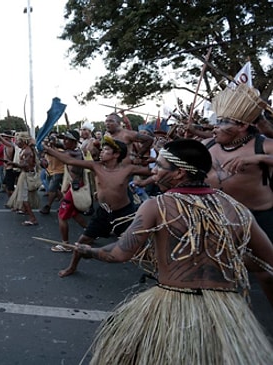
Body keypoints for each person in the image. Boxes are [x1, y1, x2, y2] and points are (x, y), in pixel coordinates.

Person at [74, 139, 273, 364]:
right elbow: (268, 259)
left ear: (179, 173)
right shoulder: (237, 209)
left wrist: (88, 251)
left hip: (172, 304)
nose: (154, 171)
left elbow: (119, 253)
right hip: (226, 312)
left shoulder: (157, 205)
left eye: (159, 166)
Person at [203, 83, 273, 306]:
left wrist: (258, 159)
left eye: (223, 122)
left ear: (243, 125)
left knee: (267, 271)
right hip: (220, 216)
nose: (216, 127)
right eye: (218, 121)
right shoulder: (208, 145)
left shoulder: (264, 145)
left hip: (259, 217)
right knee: (216, 268)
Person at [43, 135, 152, 276]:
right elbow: (69, 160)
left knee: (139, 246)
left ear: (116, 154)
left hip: (125, 214)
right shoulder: (96, 166)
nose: (101, 152)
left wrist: (144, 180)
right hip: (103, 213)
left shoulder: (128, 169)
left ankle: (162, 272)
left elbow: (155, 173)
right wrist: (48, 150)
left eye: (106, 150)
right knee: (82, 242)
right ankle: (72, 268)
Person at [47, 130, 88, 252]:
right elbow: (60, 146)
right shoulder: (74, 151)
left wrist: (44, 146)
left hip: (75, 188)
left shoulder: (73, 154)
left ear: (74, 142)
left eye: (67, 139)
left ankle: (65, 244)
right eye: (64, 139)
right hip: (74, 186)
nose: (64, 141)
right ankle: (91, 232)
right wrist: (56, 138)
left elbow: (57, 152)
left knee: (62, 216)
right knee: (74, 213)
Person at [6, 132, 39, 226]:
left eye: (18, 140)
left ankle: (32, 218)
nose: (16, 142)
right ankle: (25, 210)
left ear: (23, 141)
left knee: (24, 197)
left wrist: (13, 164)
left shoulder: (27, 151)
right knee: (24, 196)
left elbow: (26, 165)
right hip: (25, 174)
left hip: (26, 175)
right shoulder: (25, 150)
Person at [39, 131, 64, 215]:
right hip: (49, 171)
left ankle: (48, 206)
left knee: (52, 190)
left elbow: (53, 153)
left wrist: (48, 147)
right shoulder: (47, 150)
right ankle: (64, 203)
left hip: (58, 172)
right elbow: (44, 157)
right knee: (55, 190)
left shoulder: (60, 150)